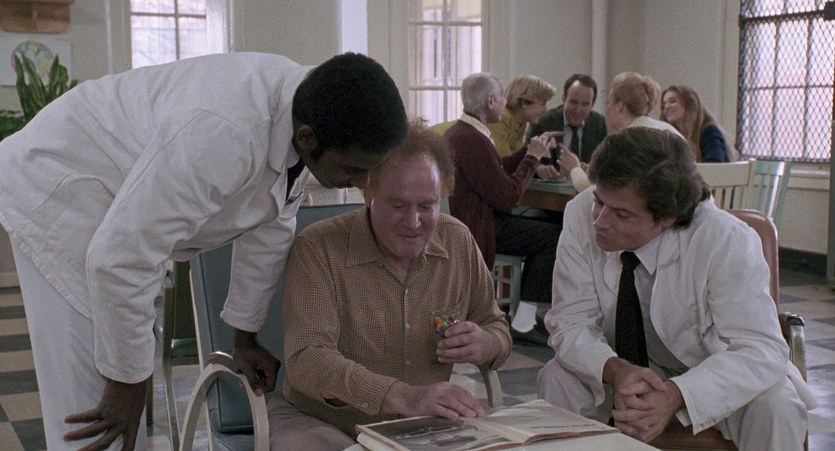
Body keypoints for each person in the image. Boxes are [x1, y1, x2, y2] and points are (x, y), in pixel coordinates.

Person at [0, 52, 407, 450]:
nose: (362, 183)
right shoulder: (223, 133)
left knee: (120, 395)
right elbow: (120, 260)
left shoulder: (311, 111)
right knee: (97, 408)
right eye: (353, 170)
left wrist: (245, 338)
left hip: (113, 205)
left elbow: (271, 225)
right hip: (59, 184)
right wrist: (128, 381)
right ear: (307, 138)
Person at [536, 127, 816, 449]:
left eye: (622, 214)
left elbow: (761, 349)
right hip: (620, 365)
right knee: (557, 377)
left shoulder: (725, 240)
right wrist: (615, 370)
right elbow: (570, 322)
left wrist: (678, 393)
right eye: (599, 201)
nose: (599, 221)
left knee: (776, 405)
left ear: (667, 218)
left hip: (708, 371)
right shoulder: (580, 213)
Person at [271, 120, 512, 449]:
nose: (413, 223)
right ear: (367, 193)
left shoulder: (457, 241)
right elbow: (308, 360)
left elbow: (496, 326)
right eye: (398, 206)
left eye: (427, 207)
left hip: (422, 427)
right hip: (321, 421)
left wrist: (487, 343)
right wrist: (403, 396)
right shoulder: (319, 248)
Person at [444, 72, 561, 308]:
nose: (505, 103)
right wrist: (532, 159)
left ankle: (523, 314)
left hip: (474, 222)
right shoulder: (473, 140)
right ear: (490, 101)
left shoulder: (460, 133)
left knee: (547, 227)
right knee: (554, 237)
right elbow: (508, 197)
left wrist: (529, 150)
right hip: (481, 228)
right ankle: (527, 318)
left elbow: (495, 171)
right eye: (501, 98)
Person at [559, 71, 685, 193]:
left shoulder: (626, 142)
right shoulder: (666, 129)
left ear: (619, 105)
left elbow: (598, 191)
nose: (607, 109)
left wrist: (574, 168)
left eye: (608, 103)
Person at [526, 74, 607, 193]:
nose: (578, 110)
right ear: (564, 98)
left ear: (593, 104)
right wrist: (538, 168)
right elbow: (525, 156)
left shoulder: (599, 124)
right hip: (549, 195)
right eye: (573, 102)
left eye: (585, 104)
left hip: (585, 194)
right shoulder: (543, 121)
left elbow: (605, 164)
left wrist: (591, 169)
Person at [660, 85, 740, 162]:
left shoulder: (709, 132)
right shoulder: (671, 136)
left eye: (672, 101)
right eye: (663, 105)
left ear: (690, 104)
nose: (666, 107)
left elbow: (715, 164)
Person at [486, 74, 556, 159]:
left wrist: (542, 146)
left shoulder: (520, 122)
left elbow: (518, 156)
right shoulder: (501, 119)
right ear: (525, 102)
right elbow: (505, 162)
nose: (545, 110)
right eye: (542, 104)